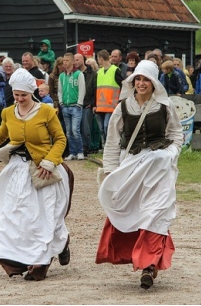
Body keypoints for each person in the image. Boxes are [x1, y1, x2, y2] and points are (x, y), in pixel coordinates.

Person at [0, 67, 74, 281]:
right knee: (13, 215)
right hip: (18, 169)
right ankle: (14, 260)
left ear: (31, 93)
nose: (19, 99)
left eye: (23, 95)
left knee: (41, 218)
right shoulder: (8, 112)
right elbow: (0, 135)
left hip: (42, 170)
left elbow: (61, 139)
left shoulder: (46, 111)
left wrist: (50, 162)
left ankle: (41, 261)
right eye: (16, 95)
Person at [96, 60, 183, 290]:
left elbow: (176, 134)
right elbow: (113, 143)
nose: (141, 83)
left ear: (154, 83)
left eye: (146, 79)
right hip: (131, 167)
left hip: (158, 169)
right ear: (133, 81)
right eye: (138, 79)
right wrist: (110, 171)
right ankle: (141, 258)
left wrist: (169, 155)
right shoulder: (123, 107)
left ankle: (148, 264)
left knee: (154, 212)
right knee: (131, 211)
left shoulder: (165, 106)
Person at [58, 52, 86, 160]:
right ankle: (72, 152)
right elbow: (60, 91)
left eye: (67, 60)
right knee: (68, 132)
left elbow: (82, 89)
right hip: (65, 106)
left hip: (76, 106)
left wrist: (79, 103)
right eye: (64, 60)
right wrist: (61, 102)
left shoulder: (78, 74)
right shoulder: (61, 76)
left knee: (75, 130)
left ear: (73, 61)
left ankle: (80, 151)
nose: (65, 62)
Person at [93, 49, 123, 145]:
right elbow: (95, 89)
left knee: (107, 127)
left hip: (111, 105)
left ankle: (110, 145)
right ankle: (104, 146)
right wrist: (94, 104)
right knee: (101, 129)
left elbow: (122, 86)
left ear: (101, 59)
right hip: (100, 105)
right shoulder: (99, 72)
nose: (98, 61)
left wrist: (119, 102)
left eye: (98, 58)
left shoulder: (115, 70)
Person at [74, 53, 97, 156]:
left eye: (77, 59)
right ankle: (78, 148)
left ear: (83, 60)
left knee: (86, 128)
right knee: (75, 128)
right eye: (74, 60)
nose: (76, 62)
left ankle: (86, 147)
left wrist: (92, 103)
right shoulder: (73, 73)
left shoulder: (91, 73)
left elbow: (95, 89)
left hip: (87, 104)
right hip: (75, 104)